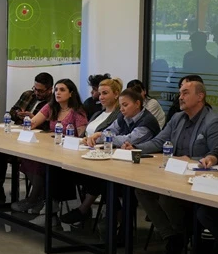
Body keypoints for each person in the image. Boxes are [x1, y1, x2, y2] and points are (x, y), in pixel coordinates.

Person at [126, 81, 218, 254]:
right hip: (174, 174)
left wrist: (193, 160)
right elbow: (159, 141)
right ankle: (171, 235)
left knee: (166, 196)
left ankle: (182, 234)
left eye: (185, 93)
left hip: (197, 178)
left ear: (200, 97)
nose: (180, 97)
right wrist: (136, 148)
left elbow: (216, 152)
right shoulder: (177, 118)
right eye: (180, 93)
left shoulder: (212, 121)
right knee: (142, 190)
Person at [60, 89, 160, 224]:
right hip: (123, 163)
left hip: (143, 170)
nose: (122, 109)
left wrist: (101, 136)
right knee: (97, 176)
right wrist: (100, 135)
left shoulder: (147, 121)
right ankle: (112, 216)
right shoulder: (124, 116)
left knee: (103, 180)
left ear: (137, 104)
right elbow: (110, 131)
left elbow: (129, 139)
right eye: (121, 105)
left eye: (125, 105)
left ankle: (109, 217)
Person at [11, 79, 88, 215]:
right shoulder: (51, 106)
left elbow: (83, 136)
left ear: (71, 93)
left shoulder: (77, 111)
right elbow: (32, 123)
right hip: (52, 149)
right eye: (56, 90)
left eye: (62, 90)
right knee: (27, 160)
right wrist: (27, 123)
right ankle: (42, 197)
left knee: (40, 164)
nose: (58, 93)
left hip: (69, 153)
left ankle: (34, 199)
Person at [0, 72, 54, 203]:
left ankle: (38, 196)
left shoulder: (53, 103)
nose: (37, 92)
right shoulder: (28, 95)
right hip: (17, 133)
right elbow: (11, 112)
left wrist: (35, 119)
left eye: (40, 90)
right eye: (35, 88)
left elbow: (50, 126)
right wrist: (18, 114)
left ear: (50, 89)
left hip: (36, 140)